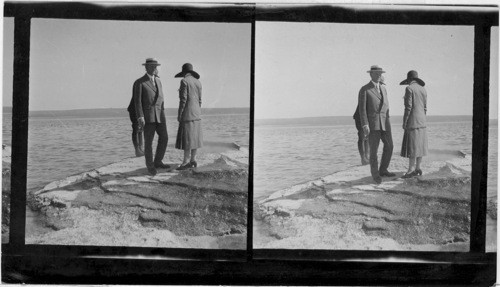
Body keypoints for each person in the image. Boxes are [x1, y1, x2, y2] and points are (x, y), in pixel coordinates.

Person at [357, 65, 395, 184]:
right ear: (371, 75)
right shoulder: (365, 89)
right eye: (377, 73)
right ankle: (375, 175)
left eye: (380, 73)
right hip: (373, 124)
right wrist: (365, 125)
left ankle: (383, 169)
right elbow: (362, 110)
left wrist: (387, 119)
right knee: (373, 151)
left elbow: (386, 106)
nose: (379, 75)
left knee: (390, 146)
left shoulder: (383, 89)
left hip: (385, 123)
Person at [133, 58, 170, 176]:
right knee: (148, 142)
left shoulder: (159, 81)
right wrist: (140, 117)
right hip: (148, 117)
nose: (156, 68)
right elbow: (137, 102)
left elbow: (161, 99)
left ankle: (158, 161)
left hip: (160, 115)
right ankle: (150, 166)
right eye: (153, 66)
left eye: (156, 66)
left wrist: (162, 112)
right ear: (147, 68)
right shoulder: (139, 82)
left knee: (164, 138)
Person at [174, 63, 204, 170]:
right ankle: (193, 160)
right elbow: (200, 100)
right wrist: (197, 111)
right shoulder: (198, 82)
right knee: (195, 137)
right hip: (197, 113)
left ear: (184, 73)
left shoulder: (184, 81)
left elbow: (183, 100)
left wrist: (180, 114)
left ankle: (185, 162)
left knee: (187, 138)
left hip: (187, 113)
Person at [400, 70, 428, 178]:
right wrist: (422, 119)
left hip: (412, 120)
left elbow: (408, 108)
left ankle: (411, 169)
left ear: (409, 80)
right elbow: (425, 108)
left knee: (412, 145)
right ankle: (418, 167)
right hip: (422, 121)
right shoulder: (423, 89)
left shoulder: (409, 88)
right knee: (420, 145)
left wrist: (405, 122)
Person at [353, 76, 385, 165]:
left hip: (369, 118)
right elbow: (363, 108)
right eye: (380, 84)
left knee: (368, 137)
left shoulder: (379, 92)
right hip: (360, 117)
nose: (380, 86)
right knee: (362, 137)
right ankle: (363, 158)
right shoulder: (367, 90)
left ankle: (367, 157)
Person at [127, 92, 144, 157]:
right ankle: (137, 150)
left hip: (140, 109)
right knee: (136, 128)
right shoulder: (139, 84)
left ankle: (140, 148)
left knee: (141, 129)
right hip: (134, 109)